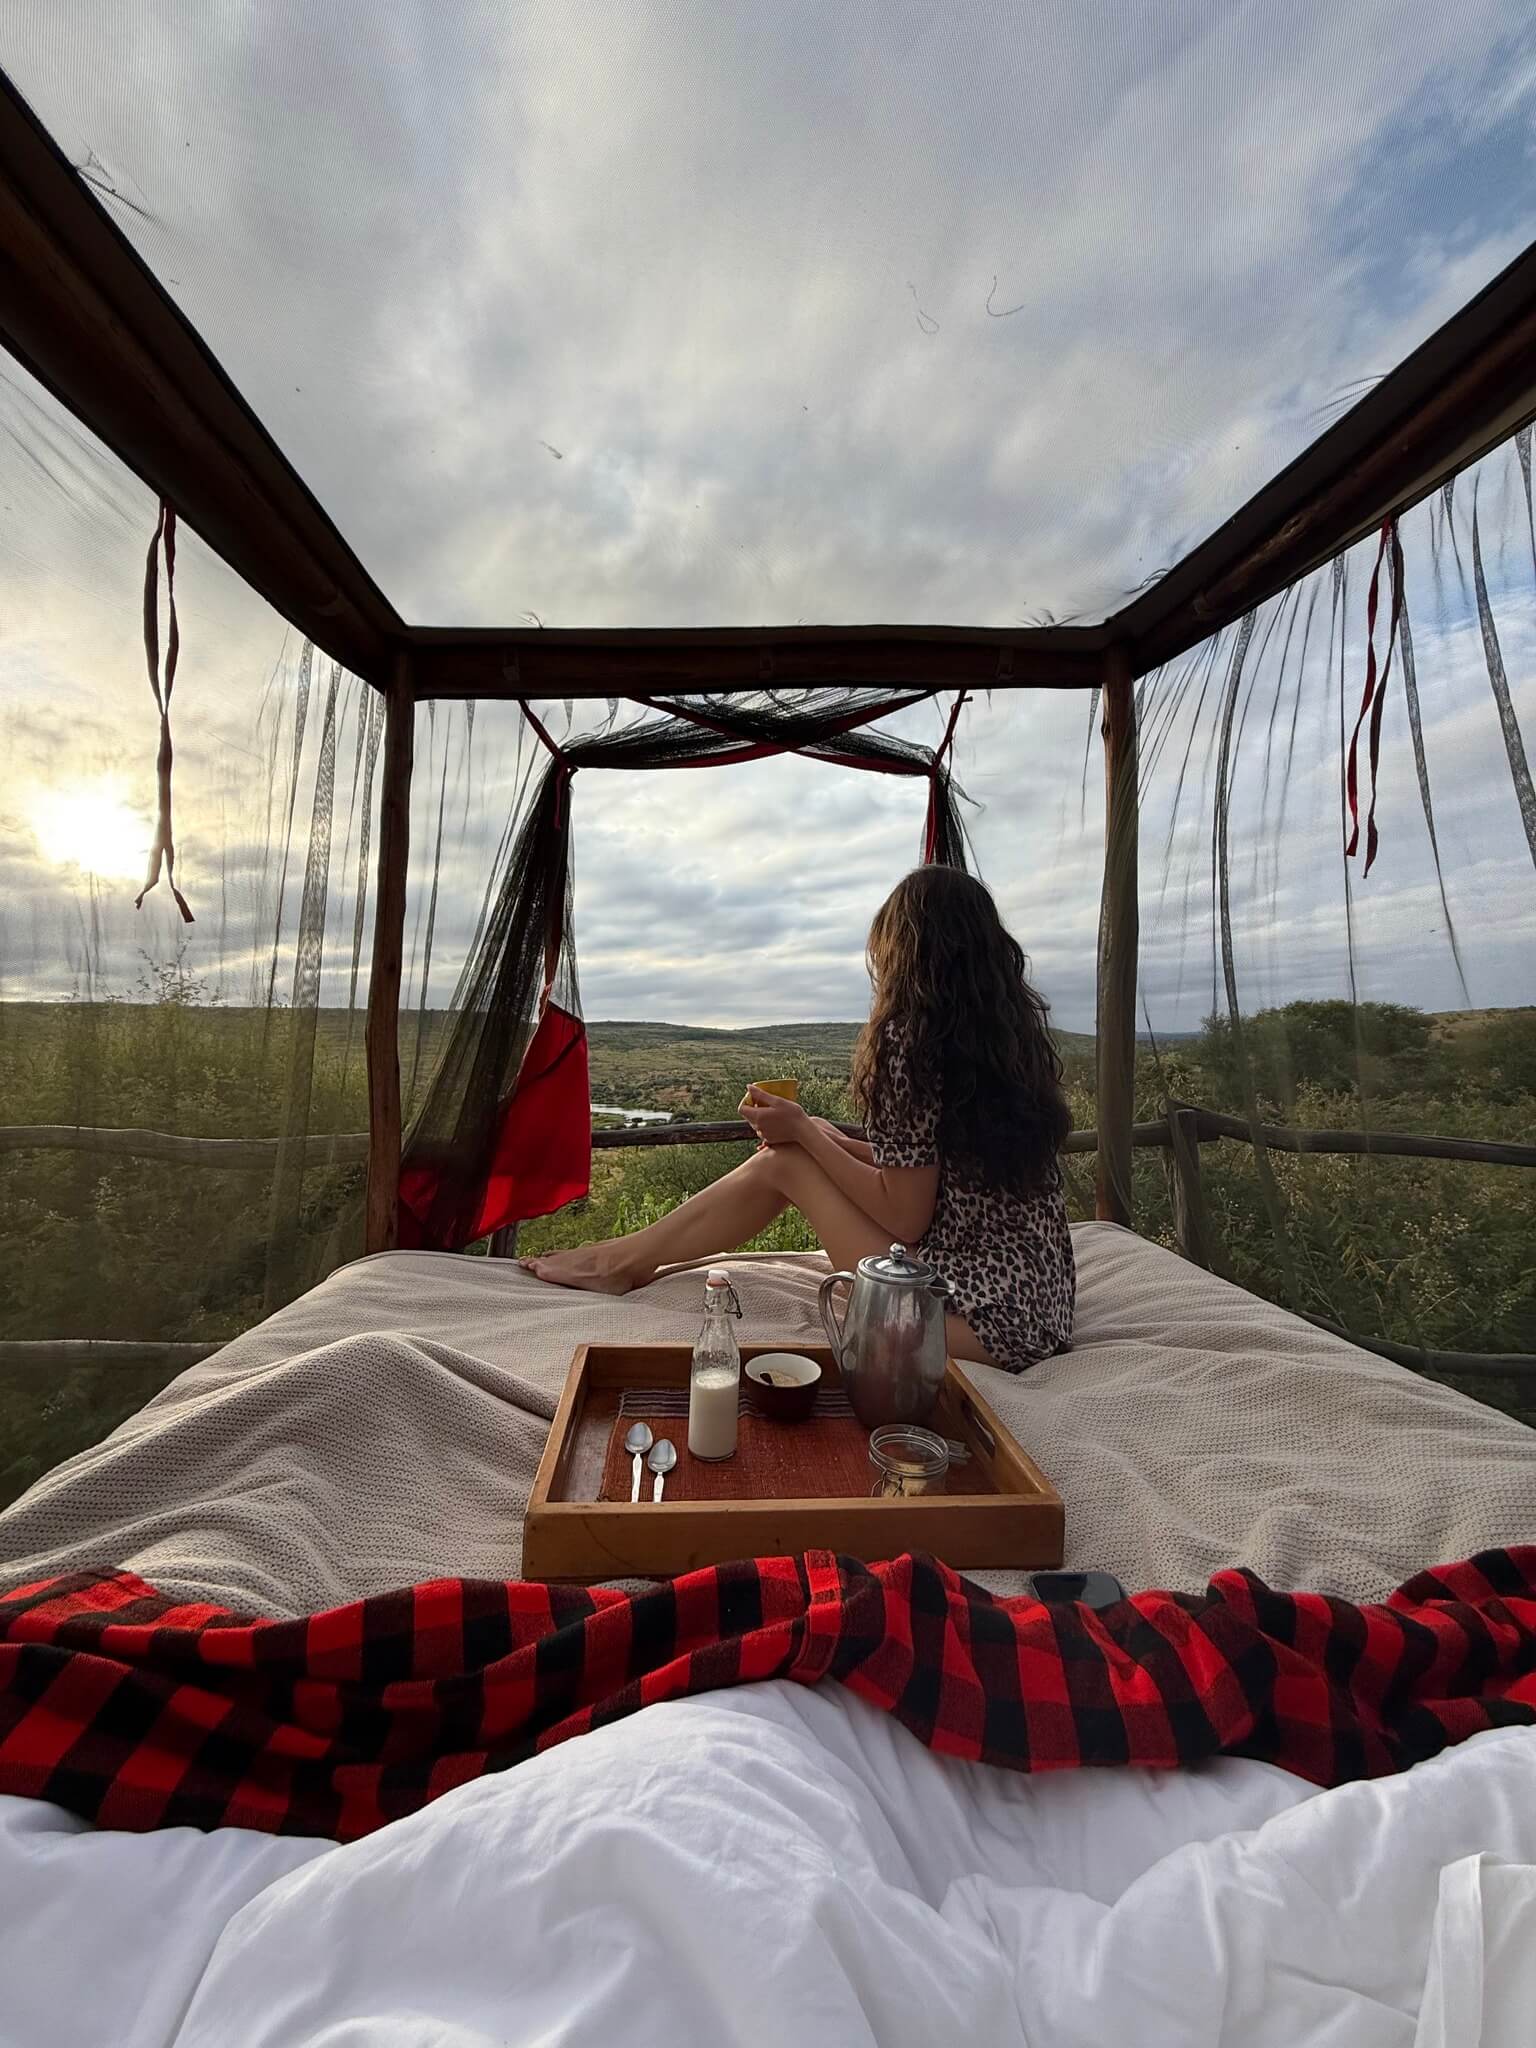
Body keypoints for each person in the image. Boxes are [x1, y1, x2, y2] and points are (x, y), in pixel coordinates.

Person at [523, 865, 1075, 1370]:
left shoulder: (912, 1041)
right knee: (803, 1148)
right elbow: (933, 1176)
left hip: (967, 1318)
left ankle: (620, 1263)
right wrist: (824, 1135)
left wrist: (804, 1133)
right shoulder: (1009, 1042)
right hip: (1036, 1312)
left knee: (783, 1163)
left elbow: (906, 1217)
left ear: (903, 951)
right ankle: (626, 1259)